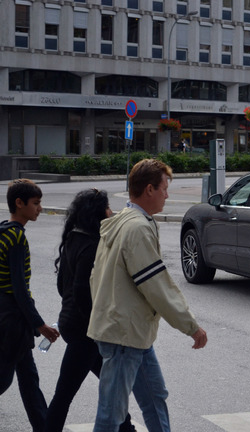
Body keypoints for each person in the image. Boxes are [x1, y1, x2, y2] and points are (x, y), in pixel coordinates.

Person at [88, 159, 208, 432]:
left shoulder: (123, 221)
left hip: (132, 331)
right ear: (149, 189)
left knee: (154, 398)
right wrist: (191, 327)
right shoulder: (137, 228)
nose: (168, 195)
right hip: (123, 335)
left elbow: (95, 277)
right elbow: (157, 286)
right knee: (111, 415)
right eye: (165, 188)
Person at [0, 179, 60, 431]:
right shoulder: (17, 238)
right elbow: (20, 290)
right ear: (19, 204)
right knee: (1, 381)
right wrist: (40, 325)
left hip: (11, 318)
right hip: (13, 323)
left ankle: (44, 427)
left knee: (29, 379)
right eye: (36, 203)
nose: (40, 208)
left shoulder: (5, 232)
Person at [44, 189, 136, 432]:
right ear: (97, 212)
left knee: (111, 388)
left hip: (73, 324)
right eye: (107, 207)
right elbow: (83, 291)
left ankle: (128, 429)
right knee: (64, 394)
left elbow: (62, 285)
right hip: (86, 330)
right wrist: (96, 324)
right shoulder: (93, 244)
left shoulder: (74, 237)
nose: (111, 211)